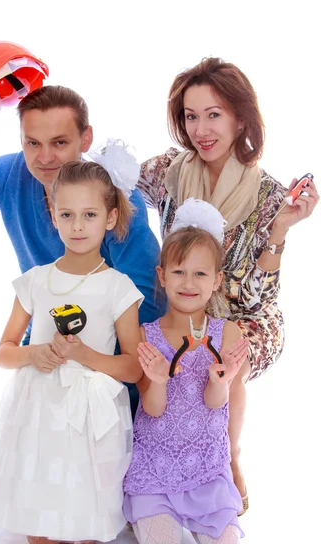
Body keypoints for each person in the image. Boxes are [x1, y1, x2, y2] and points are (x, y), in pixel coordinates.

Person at [137, 57, 319, 512]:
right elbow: (112, 185)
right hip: (186, 303)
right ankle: (151, 465)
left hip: (246, 315)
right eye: (191, 116)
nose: (201, 129)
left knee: (227, 349)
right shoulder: (169, 171)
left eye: (213, 114)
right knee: (154, 350)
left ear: (241, 118)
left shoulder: (268, 195)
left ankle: (227, 458)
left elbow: (256, 298)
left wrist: (279, 232)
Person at [0, 84, 164, 352]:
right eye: (33, 143)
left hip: (106, 353)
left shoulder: (113, 193)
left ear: (85, 138)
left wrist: (87, 359)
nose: (44, 157)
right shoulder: (7, 174)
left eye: (59, 142)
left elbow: (147, 298)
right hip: (43, 345)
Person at [0, 156, 144, 544]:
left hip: (89, 412)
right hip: (40, 406)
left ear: (110, 217)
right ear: (52, 214)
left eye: (89, 214)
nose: (78, 226)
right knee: (42, 542)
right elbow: (4, 352)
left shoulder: (118, 288)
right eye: (67, 214)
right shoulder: (36, 281)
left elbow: (134, 368)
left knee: (84, 540)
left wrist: (85, 355)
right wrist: (33, 354)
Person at [123, 199, 249, 544]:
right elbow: (152, 408)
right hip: (155, 464)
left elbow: (214, 403)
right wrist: (158, 379)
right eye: (178, 272)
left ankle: (198, 508)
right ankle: (146, 508)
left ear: (216, 280)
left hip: (205, 466)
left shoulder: (228, 335)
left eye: (200, 274)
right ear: (162, 276)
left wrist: (221, 381)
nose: (189, 283)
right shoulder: (146, 334)